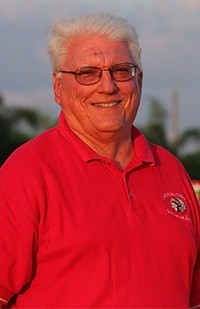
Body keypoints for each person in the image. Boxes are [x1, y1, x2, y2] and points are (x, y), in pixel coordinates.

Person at [0, 12, 199, 308]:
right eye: (87, 73)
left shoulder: (170, 170)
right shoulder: (25, 173)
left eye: (121, 70)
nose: (107, 86)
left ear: (139, 80)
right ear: (58, 87)